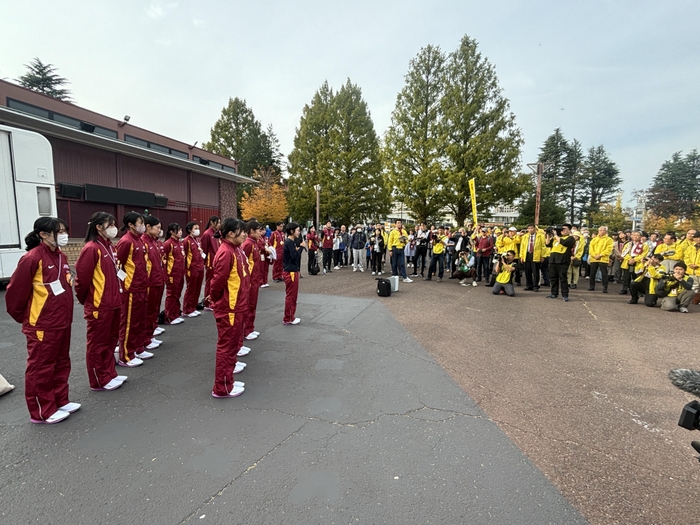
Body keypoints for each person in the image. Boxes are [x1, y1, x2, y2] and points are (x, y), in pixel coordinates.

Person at [5, 217, 78, 424]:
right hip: (42, 324)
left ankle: (60, 400)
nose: (63, 235)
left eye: (64, 230)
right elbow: (15, 294)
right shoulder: (32, 258)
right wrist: (29, 319)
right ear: (43, 235)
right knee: (41, 367)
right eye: (59, 231)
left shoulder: (61, 256)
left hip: (62, 321)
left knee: (62, 362)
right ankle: (42, 410)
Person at [75, 211, 127, 392]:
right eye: (110, 225)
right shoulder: (91, 248)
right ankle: (99, 379)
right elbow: (82, 280)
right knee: (98, 344)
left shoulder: (109, 247)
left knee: (111, 340)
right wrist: (88, 300)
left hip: (114, 302)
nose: (113, 228)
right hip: (100, 305)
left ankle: (109, 372)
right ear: (98, 227)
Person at [209, 218, 248, 398]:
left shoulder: (236, 249)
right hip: (229, 308)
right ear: (231, 233)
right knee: (227, 346)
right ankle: (222, 387)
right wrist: (219, 301)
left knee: (232, 346)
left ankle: (228, 379)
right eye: (241, 231)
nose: (245, 234)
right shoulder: (226, 252)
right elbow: (216, 283)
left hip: (237, 305)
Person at [116, 212, 153, 366]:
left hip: (142, 286)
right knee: (129, 322)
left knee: (140, 319)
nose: (142, 225)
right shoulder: (126, 242)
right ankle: (126, 354)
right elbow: (119, 265)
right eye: (140, 222)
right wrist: (124, 283)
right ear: (130, 225)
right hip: (131, 288)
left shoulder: (139, 241)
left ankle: (138, 347)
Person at [141, 215, 165, 349]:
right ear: (148, 227)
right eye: (158, 228)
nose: (159, 231)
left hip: (158, 279)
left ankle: (150, 334)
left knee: (154, 309)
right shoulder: (143, 241)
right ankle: (145, 337)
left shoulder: (154, 242)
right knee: (147, 311)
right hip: (149, 282)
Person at [242, 220, 264, 342]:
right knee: (248, 305)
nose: (261, 233)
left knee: (253, 305)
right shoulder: (248, 244)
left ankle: (250, 328)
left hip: (255, 279)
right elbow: (244, 264)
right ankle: (246, 330)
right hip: (249, 281)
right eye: (259, 230)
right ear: (251, 231)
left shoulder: (255, 243)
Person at [162, 222, 186, 326]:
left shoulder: (180, 243)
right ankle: (169, 316)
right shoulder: (168, 244)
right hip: (172, 274)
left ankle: (176, 313)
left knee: (177, 294)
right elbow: (164, 260)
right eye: (178, 230)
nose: (180, 232)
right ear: (171, 231)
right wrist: (167, 275)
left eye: (181, 230)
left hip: (180, 273)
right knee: (171, 295)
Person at [545, 224, 576, 302]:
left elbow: (564, 242)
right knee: (553, 278)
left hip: (563, 261)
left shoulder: (570, 238)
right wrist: (548, 235)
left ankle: (565, 295)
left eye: (565, 229)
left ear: (569, 230)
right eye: (562, 229)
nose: (563, 230)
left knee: (563, 278)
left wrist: (555, 235)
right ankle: (554, 293)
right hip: (553, 260)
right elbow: (547, 244)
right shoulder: (556, 238)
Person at [283, 222, 305, 325]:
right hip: (290, 271)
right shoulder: (289, 242)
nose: (299, 232)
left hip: (291, 270)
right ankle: (288, 317)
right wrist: (301, 247)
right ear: (292, 231)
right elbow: (294, 256)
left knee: (292, 294)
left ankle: (290, 316)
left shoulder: (290, 242)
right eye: (298, 230)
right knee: (291, 295)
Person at [182, 221, 205, 318]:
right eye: (195, 228)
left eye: (198, 228)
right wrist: (186, 268)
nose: (197, 230)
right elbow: (184, 255)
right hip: (191, 268)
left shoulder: (197, 240)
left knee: (197, 289)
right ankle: (187, 309)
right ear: (190, 230)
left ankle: (193, 307)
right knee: (191, 289)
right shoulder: (186, 241)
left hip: (200, 266)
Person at [200, 216, 221, 310]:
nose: (220, 225)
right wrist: (205, 262)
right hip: (210, 262)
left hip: (217, 261)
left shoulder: (217, 234)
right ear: (212, 223)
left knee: (215, 282)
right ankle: (207, 303)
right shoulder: (207, 234)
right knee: (209, 283)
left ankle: (214, 301)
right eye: (218, 222)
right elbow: (203, 249)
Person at [619, 231, 649, 295]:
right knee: (626, 277)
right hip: (627, 262)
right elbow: (624, 253)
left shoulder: (644, 245)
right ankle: (624, 288)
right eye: (634, 235)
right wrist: (630, 259)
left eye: (637, 235)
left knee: (636, 277)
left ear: (641, 237)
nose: (635, 236)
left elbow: (643, 255)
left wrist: (634, 259)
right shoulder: (628, 244)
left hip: (637, 263)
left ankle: (637, 290)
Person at [587, 226, 614, 293]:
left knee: (604, 274)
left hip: (603, 259)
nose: (602, 231)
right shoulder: (594, 239)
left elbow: (609, 249)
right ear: (598, 231)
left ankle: (605, 287)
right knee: (592, 273)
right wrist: (594, 255)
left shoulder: (609, 239)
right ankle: (591, 286)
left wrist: (600, 255)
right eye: (600, 230)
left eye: (604, 230)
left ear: (606, 231)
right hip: (594, 258)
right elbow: (591, 249)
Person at [520, 224, 545, 291]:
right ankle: (529, 285)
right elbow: (522, 247)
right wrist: (521, 256)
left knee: (535, 272)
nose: (530, 230)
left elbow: (543, 246)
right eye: (528, 228)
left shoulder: (540, 236)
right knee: (527, 271)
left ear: (534, 228)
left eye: (531, 228)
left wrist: (543, 256)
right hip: (527, 254)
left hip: (536, 255)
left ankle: (535, 286)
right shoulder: (525, 236)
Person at [683, 231, 700, 304]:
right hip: (691, 270)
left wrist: (697, 265)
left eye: (699, 238)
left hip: (698, 269)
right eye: (696, 238)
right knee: (694, 287)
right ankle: (693, 301)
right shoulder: (690, 247)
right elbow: (686, 256)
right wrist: (689, 264)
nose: (698, 239)